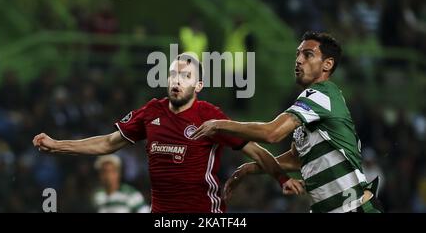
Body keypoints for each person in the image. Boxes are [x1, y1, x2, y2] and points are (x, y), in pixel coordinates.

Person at [33, 53, 304, 213]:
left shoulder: (209, 116)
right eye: (173, 74)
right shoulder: (151, 112)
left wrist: (281, 178)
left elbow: (255, 150)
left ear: (198, 85)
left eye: (185, 76)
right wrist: (57, 145)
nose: (177, 80)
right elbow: (106, 143)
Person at [192, 33, 384, 213]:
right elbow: (296, 159)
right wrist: (250, 168)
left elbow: (271, 133)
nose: (299, 60)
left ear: (327, 64)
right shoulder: (311, 109)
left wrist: (219, 124)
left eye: (308, 55)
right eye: (298, 54)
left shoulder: (321, 94)